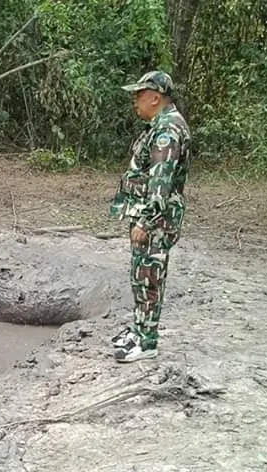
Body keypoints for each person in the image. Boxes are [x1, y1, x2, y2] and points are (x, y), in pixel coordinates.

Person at [109, 70, 192, 362]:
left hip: (157, 219)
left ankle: (147, 342)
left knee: (148, 277)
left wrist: (146, 221)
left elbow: (161, 181)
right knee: (141, 275)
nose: (135, 101)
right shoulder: (160, 125)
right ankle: (140, 328)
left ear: (155, 98)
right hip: (152, 215)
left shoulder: (167, 130)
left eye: (139, 95)